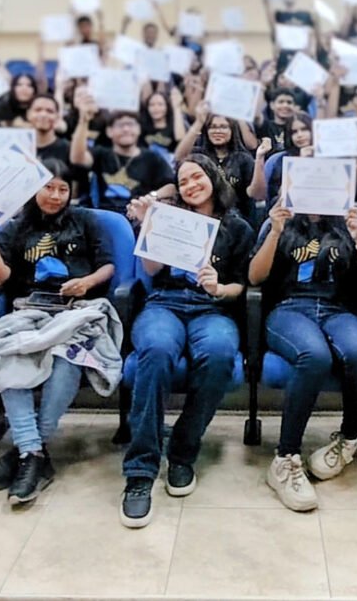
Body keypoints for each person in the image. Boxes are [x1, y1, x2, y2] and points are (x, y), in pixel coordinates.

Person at [120, 155, 255, 527]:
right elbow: (150, 271)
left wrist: (218, 286)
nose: (191, 185)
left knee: (220, 352)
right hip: (165, 303)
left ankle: (183, 449)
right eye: (183, 181)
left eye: (198, 176)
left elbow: (240, 287)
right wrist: (151, 227)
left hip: (211, 308)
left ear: (213, 177)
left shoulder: (237, 227)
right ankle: (140, 470)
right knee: (157, 350)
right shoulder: (168, 216)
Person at [0, 159, 116, 505]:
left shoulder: (86, 220)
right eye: (47, 187)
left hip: (78, 311)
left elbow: (108, 266)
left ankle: (26, 452)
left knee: (65, 360)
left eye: (62, 189)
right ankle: (34, 455)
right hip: (30, 310)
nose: (55, 195)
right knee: (9, 356)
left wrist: (87, 282)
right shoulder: (16, 227)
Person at [248, 200, 357, 512]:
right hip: (289, 309)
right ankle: (285, 458)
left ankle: (347, 440)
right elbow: (255, 278)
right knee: (314, 356)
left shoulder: (347, 225)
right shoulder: (278, 223)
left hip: (336, 310)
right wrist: (275, 230)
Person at [69, 91, 175, 214]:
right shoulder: (101, 154)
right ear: (109, 131)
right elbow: (77, 158)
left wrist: (151, 197)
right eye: (120, 125)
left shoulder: (152, 158)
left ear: (139, 129)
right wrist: (84, 120)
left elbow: (171, 187)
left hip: (137, 216)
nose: (126, 129)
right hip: (102, 216)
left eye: (130, 124)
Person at [174, 102, 263, 218]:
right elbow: (179, 157)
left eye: (223, 127)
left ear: (232, 131)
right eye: (212, 127)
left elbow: (255, 194)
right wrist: (199, 122)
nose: (217, 131)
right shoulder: (199, 155)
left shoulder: (244, 159)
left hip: (235, 219)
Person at [140, 89, 186, 156]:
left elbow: (181, 139)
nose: (156, 108)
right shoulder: (142, 126)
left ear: (167, 107)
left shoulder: (174, 125)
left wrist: (177, 107)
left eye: (160, 104)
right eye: (152, 105)